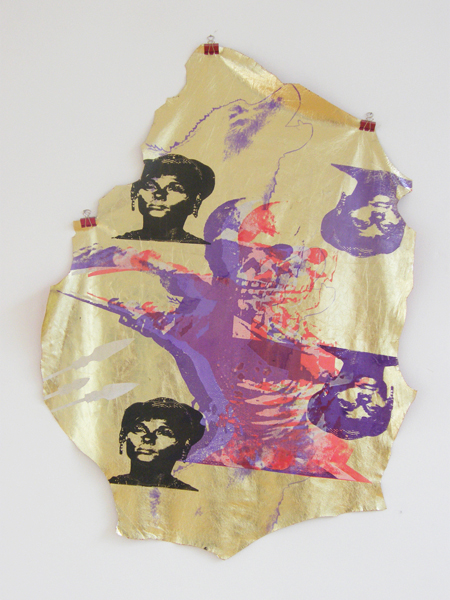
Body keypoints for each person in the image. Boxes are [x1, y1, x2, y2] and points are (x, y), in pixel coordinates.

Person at [109, 397, 205, 490]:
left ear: (185, 445)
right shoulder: (107, 485)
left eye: (164, 432)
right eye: (139, 429)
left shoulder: (189, 493)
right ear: (123, 437)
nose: (147, 438)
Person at [116, 154, 215, 243]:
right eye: (150, 186)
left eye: (174, 188)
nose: (159, 195)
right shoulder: (119, 243)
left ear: (195, 201)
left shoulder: (199, 249)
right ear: (135, 193)